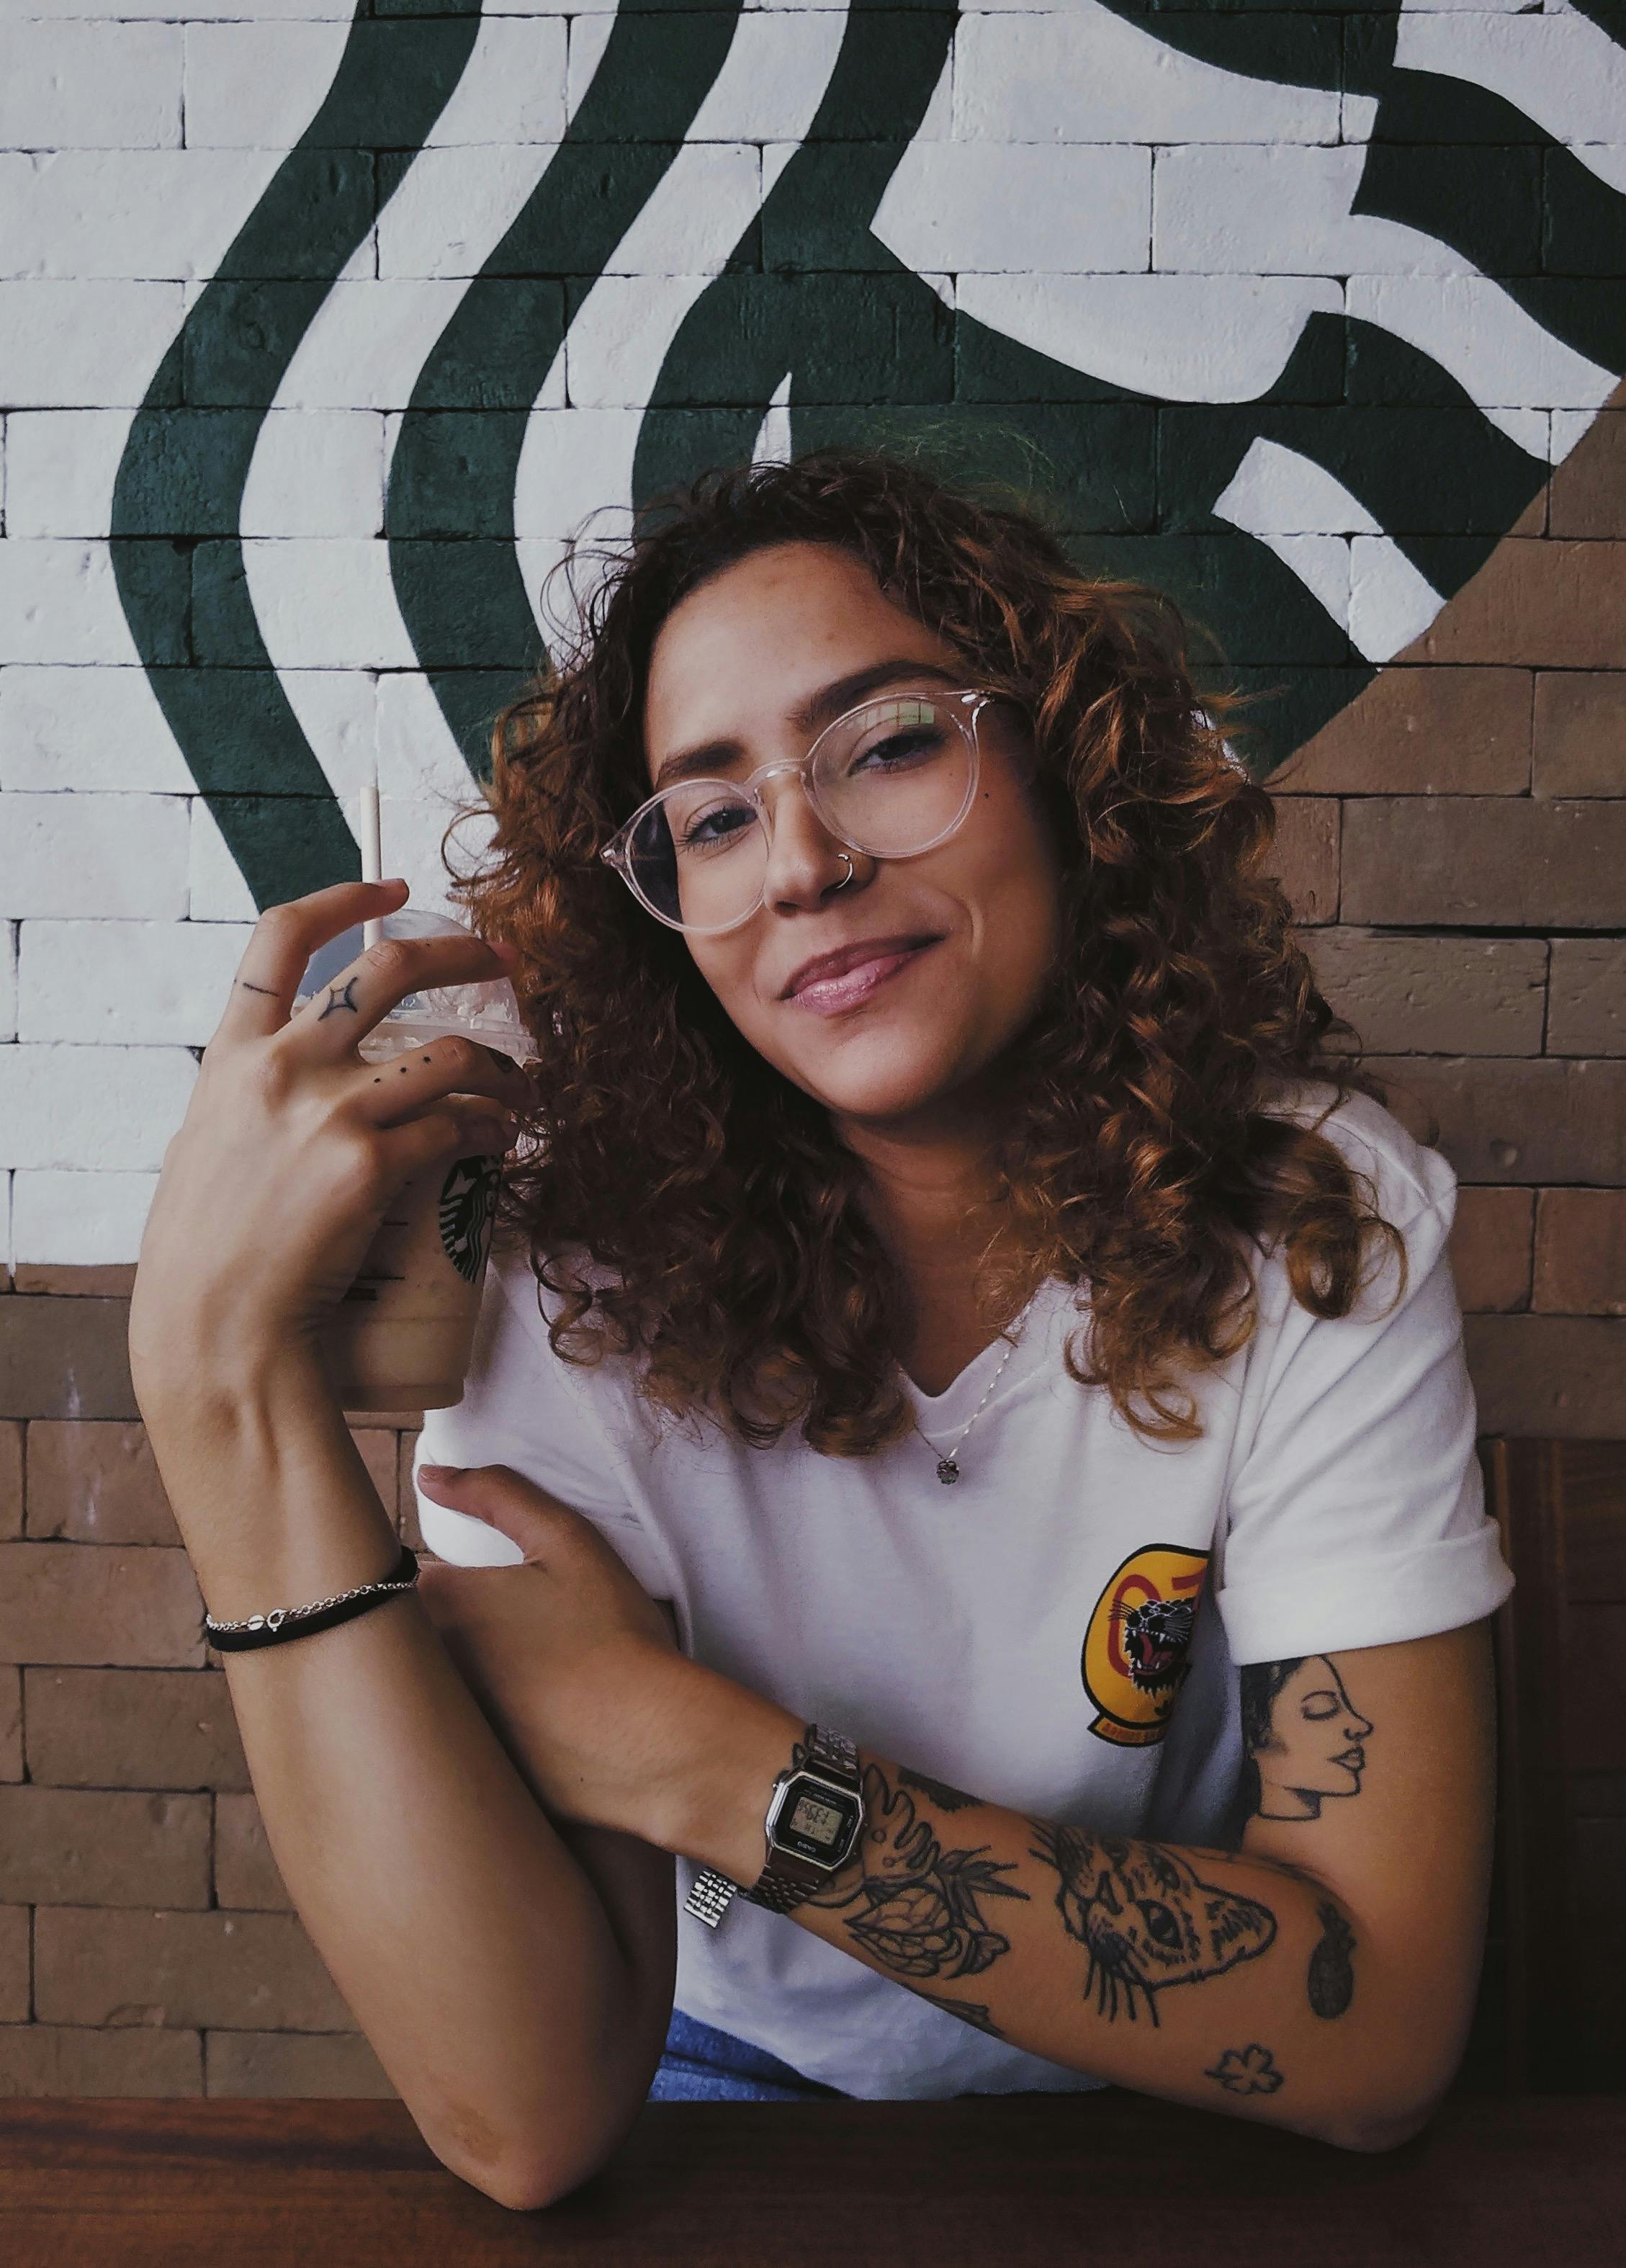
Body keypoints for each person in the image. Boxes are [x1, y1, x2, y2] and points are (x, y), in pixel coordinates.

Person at [130, 446, 1514, 2209]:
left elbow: (1376, 2037)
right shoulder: (570, 1281)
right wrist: (209, 1388)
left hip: (1168, 2098)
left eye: (888, 744)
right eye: (708, 817)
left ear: (1064, 768)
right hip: (726, 2092)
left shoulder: (1314, 1216)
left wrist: (679, 1752)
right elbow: (530, 2118)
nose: (799, 861)